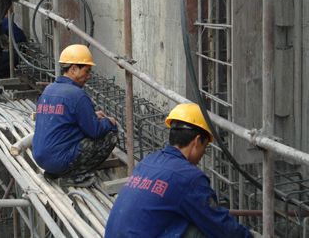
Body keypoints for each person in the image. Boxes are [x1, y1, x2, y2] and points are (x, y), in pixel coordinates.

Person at [105, 103, 256, 238]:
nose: (203, 153)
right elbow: (219, 225)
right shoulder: (189, 177)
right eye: (205, 146)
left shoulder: (149, 161)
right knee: (201, 231)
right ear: (197, 141)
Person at [32, 44, 118, 187]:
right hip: (60, 160)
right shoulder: (77, 95)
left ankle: (55, 172)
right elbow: (95, 131)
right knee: (111, 134)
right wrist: (109, 122)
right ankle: (75, 176)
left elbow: (62, 117)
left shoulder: (49, 89)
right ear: (73, 69)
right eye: (86, 71)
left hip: (41, 159)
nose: (88, 76)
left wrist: (91, 115)